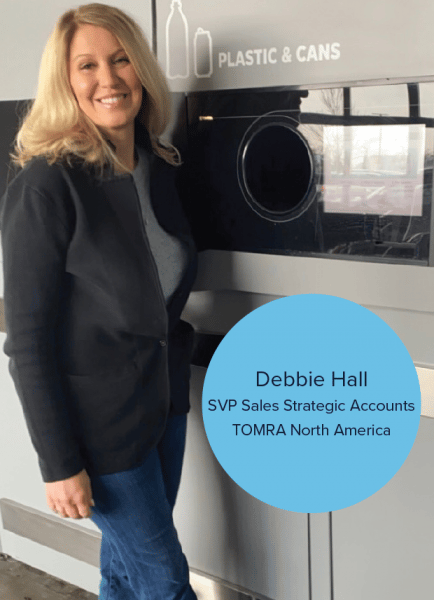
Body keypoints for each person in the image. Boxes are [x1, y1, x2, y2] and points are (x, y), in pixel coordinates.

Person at [0, 3, 198, 599]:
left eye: (120, 60)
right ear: (65, 82)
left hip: (163, 408)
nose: (107, 79)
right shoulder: (46, 183)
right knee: (165, 582)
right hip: (99, 428)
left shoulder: (158, 166)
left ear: (141, 69)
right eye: (86, 65)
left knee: (125, 572)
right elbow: (27, 341)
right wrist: (58, 461)